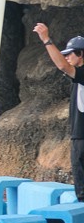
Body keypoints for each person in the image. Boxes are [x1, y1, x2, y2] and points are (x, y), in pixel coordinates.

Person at [33, 23, 84, 201]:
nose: (67, 58)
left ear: (81, 54)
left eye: (70, 54)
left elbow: (62, 66)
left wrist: (46, 40)